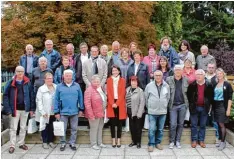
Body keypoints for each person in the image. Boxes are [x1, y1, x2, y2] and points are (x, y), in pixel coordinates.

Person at [3, 66, 34, 154]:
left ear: (24, 72)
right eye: (18, 71)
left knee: (23, 127)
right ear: (15, 72)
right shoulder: (11, 82)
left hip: (25, 109)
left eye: (21, 71)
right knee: (13, 128)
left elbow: (31, 95)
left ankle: (21, 143)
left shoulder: (27, 82)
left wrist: (31, 108)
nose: (20, 73)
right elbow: (5, 96)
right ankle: (12, 145)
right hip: (14, 109)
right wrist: (8, 109)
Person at [54, 69, 84, 151]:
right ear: (63, 76)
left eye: (70, 75)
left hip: (74, 111)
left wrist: (81, 109)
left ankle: (72, 142)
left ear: (72, 76)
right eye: (66, 75)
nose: (68, 77)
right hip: (63, 112)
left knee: (74, 128)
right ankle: (63, 143)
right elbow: (56, 99)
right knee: (62, 128)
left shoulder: (77, 85)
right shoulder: (59, 86)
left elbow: (80, 98)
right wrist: (56, 111)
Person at [187, 69, 213, 148]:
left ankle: (201, 140)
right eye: (197, 74)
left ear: (204, 75)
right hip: (194, 107)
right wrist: (191, 105)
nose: (198, 76)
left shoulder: (209, 85)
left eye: (200, 74)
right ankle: (194, 140)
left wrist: (209, 106)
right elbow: (189, 96)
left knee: (203, 125)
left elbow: (210, 97)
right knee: (194, 125)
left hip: (204, 108)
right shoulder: (192, 85)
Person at [145, 70, 170, 152]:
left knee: (160, 129)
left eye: (159, 75)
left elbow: (168, 97)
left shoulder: (166, 86)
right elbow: (146, 98)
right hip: (152, 111)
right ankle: (151, 144)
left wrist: (164, 105)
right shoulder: (149, 86)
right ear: (154, 76)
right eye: (156, 75)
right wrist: (149, 107)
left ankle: (158, 143)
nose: (158, 77)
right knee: (152, 129)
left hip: (162, 111)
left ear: (162, 76)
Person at [166, 65, 189, 149]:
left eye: (179, 70)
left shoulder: (186, 80)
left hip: (183, 105)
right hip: (173, 105)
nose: (178, 71)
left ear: (182, 71)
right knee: (173, 124)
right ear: (174, 71)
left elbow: (188, 93)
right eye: (176, 70)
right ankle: (172, 141)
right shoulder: (169, 80)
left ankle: (178, 141)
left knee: (181, 124)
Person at [84, 75, 107, 150]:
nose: (97, 83)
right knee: (94, 129)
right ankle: (93, 143)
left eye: (98, 81)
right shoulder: (89, 90)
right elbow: (87, 104)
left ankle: (99, 143)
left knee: (100, 128)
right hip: (93, 114)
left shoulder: (99, 89)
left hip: (101, 113)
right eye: (95, 81)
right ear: (91, 81)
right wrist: (91, 115)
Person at [107, 65, 127, 148]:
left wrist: (117, 103)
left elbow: (123, 93)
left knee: (119, 123)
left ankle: (118, 139)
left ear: (119, 71)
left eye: (116, 70)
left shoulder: (122, 80)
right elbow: (108, 92)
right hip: (111, 102)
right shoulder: (109, 80)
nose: (114, 72)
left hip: (120, 102)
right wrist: (112, 103)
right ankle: (113, 140)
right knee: (112, 122)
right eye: (113, 71)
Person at [35, 72, 56, 149]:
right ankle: (44, 142)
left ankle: (50, 141)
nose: (49, 80)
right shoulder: (41, 89)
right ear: (45, 79)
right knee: (44, 127)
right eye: (48, 78)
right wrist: (42, 112)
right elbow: (38, 101)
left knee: (51, 127)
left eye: (51, 78)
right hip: (45, 112)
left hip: (53, 112)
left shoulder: (56, 87)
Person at [213, 68, 233, 151]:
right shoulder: (216, 84)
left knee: (222, 124)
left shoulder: (227, 84)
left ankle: (223, 142)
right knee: (218, 123)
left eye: (220, 73)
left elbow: (229, 98)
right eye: (217, 74)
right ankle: (221, 140)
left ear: (223, 74)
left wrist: (228, 109)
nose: (219, 75)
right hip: (216, 105)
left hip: (222, 105)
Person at [126, 76, 145, 148]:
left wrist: (139, 114)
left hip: (137, 113)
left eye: (135, 81)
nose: (133, 83)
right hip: (130, 112)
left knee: (138, 128)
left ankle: (138, 142)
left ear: (137, 82)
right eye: (132, 81)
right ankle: (133, 141)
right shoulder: (127, 90)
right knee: (132, 128)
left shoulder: (140, 91)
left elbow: (142, 103)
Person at [157, 56, 174, 129]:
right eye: (161, 61)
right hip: (158, 90)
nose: (162, 62)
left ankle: (167, 123)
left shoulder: (170, 71)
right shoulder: (157, 70)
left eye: (164, 61)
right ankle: (160, 123)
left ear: (166, 62)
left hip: (168, 90)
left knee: (167, 106)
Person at [205, 63, 219, 143]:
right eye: (209, 67)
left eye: (212, 67)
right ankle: (206, 136)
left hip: (215, 100)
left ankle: (216, 136)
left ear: (215, 68)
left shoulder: (217, 78)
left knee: (214, 118)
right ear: (207, 68)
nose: (211, 69)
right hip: (205, 100)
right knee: (205, 117)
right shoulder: (204, 76)